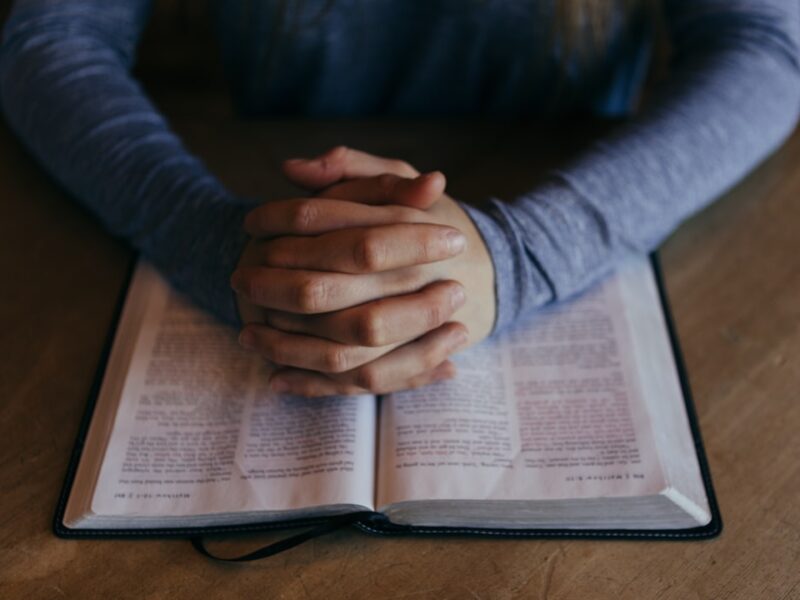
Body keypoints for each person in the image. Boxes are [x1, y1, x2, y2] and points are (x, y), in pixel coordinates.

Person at [1, 0, 798, 396]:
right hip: (273, 193)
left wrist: (519, 255)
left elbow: (767, 44)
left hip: (569, 184)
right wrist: (220, 242)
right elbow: (49, 38)